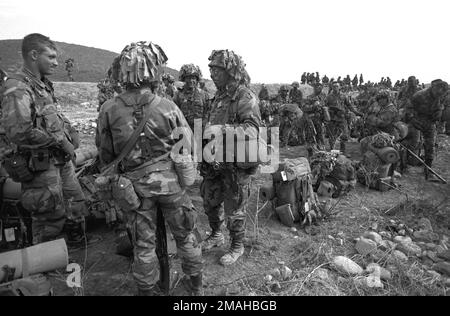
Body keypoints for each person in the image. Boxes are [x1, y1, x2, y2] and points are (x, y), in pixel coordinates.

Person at [97, 41, 203, 295]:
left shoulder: (109, 109)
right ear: (152, 69)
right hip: (170, 186)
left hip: (134, 189)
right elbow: (187, 145)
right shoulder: (167, 106)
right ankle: (196, 286)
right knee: (186, 235)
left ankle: (147, 291)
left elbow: (105, 155)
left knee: (143, 246)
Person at [0, 33, 87, 245]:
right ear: (33, 55)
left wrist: (69, 131)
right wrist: (59, 141)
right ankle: (47, 262)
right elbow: (19, 132)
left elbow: (51, 115)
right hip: (39, 165)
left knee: (75, 201)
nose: (56, 62)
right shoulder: (17, 87)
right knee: (49, 215)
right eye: (50, 57)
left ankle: (74, 245)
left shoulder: (42, 85)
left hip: (60, 160)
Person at [200, 49, 261, 266]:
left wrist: (221, 129)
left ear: (230, 71)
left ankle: (237, 246)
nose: (213, 74)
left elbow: (253, 130)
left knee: (235, 209)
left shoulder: (244, 96)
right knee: (209, 201)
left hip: (235, 165)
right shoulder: (217, 97)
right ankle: (216, 234)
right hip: (214, 162)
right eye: (211, 69)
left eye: (217, 69)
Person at [404, 79, 449, 180]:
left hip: (430, 122)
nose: (440, 95)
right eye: (438, 92)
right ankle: (405, 162)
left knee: (430, 145)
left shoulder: (441, 96)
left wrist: (439, 113)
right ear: (434, 88)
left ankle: (428, 169)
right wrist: (412, 119)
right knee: (414, 143)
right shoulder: (420, 95)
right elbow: (409, 107)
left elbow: (440, 108)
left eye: (442, 93)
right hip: (417, 120)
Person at [325, 82, 361, 152]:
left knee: (344, 134)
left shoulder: (344, 96)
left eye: (337, 86)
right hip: (332, 118)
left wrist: (356, 112)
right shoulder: (329, 97)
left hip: (341, 117)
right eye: (334, 86)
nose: (335, 88)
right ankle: (332, 150)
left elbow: (349, 105)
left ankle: (343, 150)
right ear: (332, 87)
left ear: (339, 87)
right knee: (332, 134)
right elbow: (325, 106)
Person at [173, 64, 209, 130]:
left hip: (199, 131)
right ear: (184, 79)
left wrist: (203, 126)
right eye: (188, 78)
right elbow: (174, 114)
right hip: (183, 129)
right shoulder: (178, 94)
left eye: (193, 78)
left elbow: (207, 112)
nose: (191, 81)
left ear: (197, 79)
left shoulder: (204, 94)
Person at [305, 83, 327, 148]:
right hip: (313, 117)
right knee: (312, 133)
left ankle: (321, 145)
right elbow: (305, 108)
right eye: (317, 88)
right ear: (314, 88)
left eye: (320, 88)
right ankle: (313, 147)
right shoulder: (309, 97)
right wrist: (313, 106)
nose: (319, 89)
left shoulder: (324, 96)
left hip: (322, 117)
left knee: (321, 133)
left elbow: (327, 104)